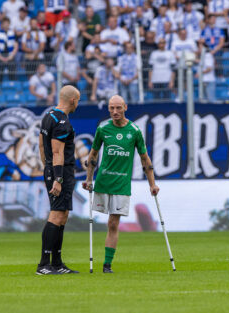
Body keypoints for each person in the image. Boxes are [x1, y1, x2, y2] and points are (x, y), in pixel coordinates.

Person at [83, 95, 160, 274]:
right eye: (111, 108)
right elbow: (93, 155)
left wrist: (152, 184)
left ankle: (107, 265)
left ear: (125, 107)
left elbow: (144, 159)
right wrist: (88, 179)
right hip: (103, 182)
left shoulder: (134, 131)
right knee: (104, 222)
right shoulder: (102, 129)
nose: (115, 112)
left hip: (121, 184)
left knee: (113, 223)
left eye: (118, 108)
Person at [37, 85, 81, 275]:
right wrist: (58, 178)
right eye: (77, 100)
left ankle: (57, 263)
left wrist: (46, 167)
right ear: (73, 100)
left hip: (52, 169)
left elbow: (41, 143)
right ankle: (44, 264)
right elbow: (57, 152)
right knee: (56, 215)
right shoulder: (62, 121)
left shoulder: (49, 115)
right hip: (61, 172)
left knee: (62, 216)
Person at [0, 18, 18, 83]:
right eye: (4, 23)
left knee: (12, 73)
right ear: (2, 24)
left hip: (10, 55)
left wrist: (12, 55)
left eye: (7, 23)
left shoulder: (13, 33)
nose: (6, 25)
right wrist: (0, 57)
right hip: (1, 54)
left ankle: (12, 87)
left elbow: (16, 46)